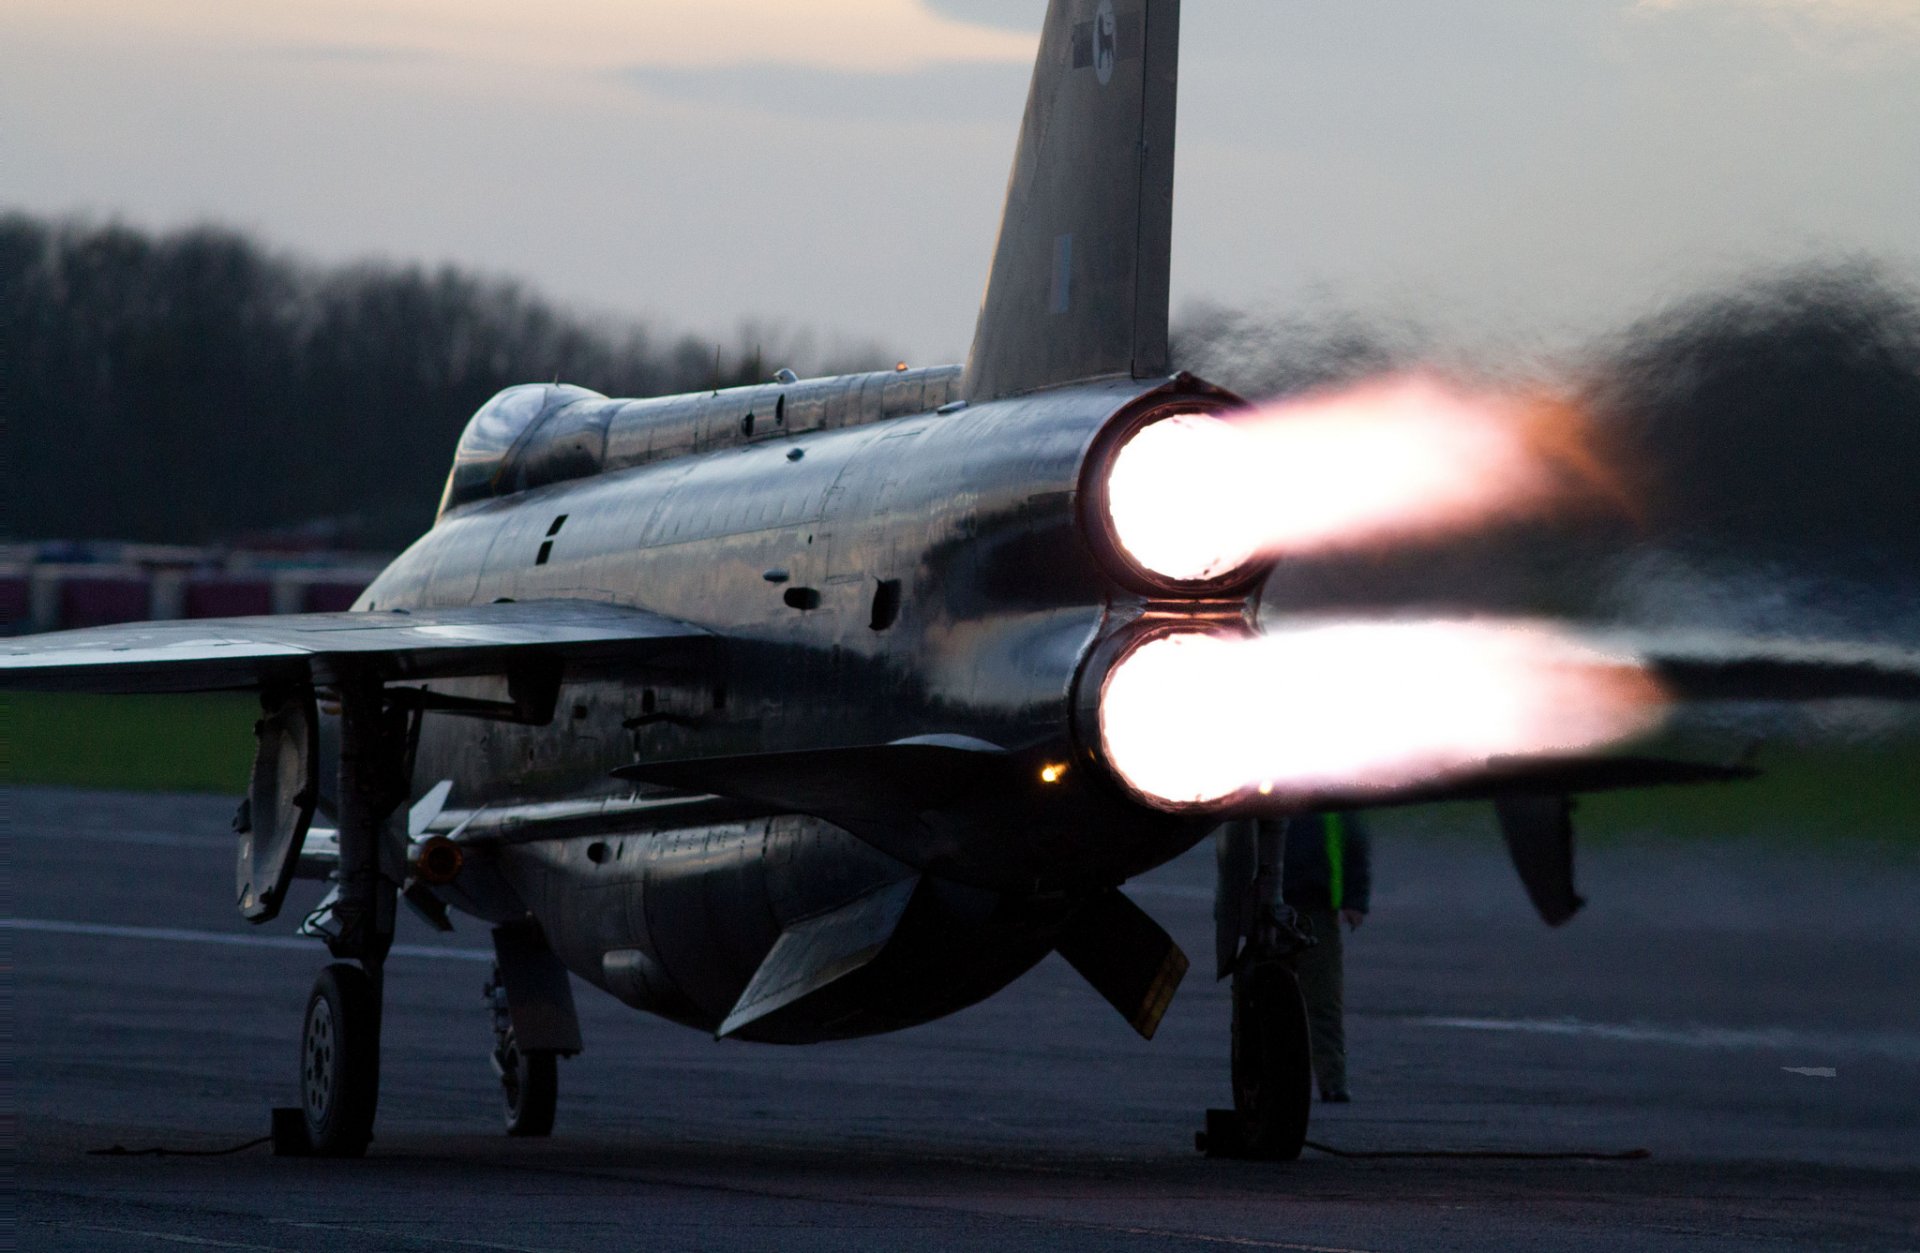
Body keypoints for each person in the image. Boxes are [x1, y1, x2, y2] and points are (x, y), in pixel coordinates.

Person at [1281, 811, 1371, 1103]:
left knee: (1323, 1001)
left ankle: (1332, 1081)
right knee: (1280, 1000)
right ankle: (1290, 1082)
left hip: (1314, 909)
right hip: (1276, 909)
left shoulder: (1332, 802)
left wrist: (1354, 899)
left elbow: (1354, 845)